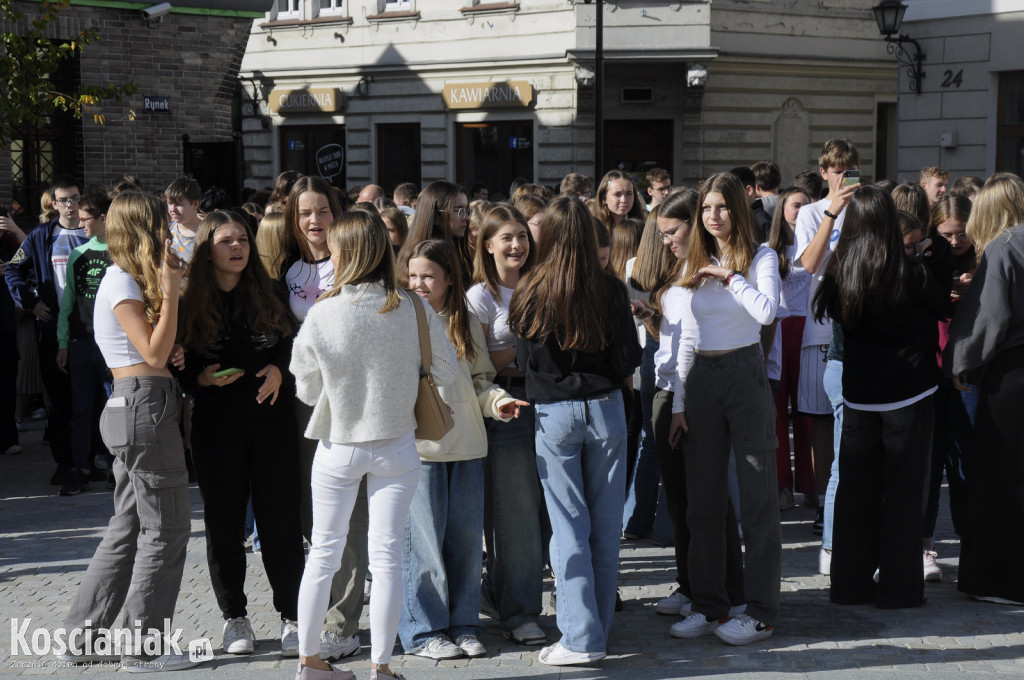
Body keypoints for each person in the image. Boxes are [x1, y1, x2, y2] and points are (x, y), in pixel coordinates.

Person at [291, 210, 458, 680]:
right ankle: (381, 668)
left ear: (341, 253)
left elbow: (304, 388)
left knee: (323, 553)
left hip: (339, 441)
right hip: (397, 443)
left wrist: (343, 388)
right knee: (386, 558)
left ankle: (310, 662)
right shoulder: (413, 306)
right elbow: (444, 370)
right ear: (384, 252)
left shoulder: (323, 311)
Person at [59, 190, 199, 671]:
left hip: (136, 403)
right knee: (168, 527)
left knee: (130, 525)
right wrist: (171, 295)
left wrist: (179, 251)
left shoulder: (130, 279)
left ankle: (82, 636)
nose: (168, 230)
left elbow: (155, 349)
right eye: (161, 222)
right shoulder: (122, 282)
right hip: (144, 405)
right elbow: (154, 354)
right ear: (143, 228)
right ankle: (144, 647)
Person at [508, 195, 642, 665]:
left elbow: (525, 362)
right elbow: (628, 359)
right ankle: (596, 631)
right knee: (604, 530)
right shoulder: (608, 289)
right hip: (606, 408)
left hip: (555, 414)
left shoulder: (530, 288)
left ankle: (581, 638)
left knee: (568, 528)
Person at [813, 185, 952, 609]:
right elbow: (940, 303)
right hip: (908, 394)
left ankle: (849, 586)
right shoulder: (908, 272)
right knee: (903, 497)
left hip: (860, 395)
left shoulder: (842, 272)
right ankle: (899, 589)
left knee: (857, 495)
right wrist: (930, 251)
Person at [177, 210, 306, 657]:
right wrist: (201, 379)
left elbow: (295, 344)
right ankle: (235, 618)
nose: (237, 247)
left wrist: (280, 370)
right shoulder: (189, 298)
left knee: (281, 524)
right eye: (227, 241)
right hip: (216, 425)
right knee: (224, 526)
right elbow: (180, 364)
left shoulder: (269, 291)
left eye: (243, 240)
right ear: (207, 250)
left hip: (271, 422)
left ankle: (293, 617)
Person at [667, 172, 781, 646]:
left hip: (744, 374)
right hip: (701, 381)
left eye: (722, 207)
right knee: (704, 499)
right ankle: (709, 604)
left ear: (738, 208)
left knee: (757, 498)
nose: (713, 217)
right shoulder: (694, 258)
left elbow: (768, 312)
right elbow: (685, 335)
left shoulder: (761, 256)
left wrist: (731, 277)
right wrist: (677, 401)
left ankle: (760, 611)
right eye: (706, 209)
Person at [400, 239, 525, 660]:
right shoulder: (398, 318)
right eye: (413, 275)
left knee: (468, 546)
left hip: (469, 445)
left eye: (428, 276)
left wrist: (499, 402)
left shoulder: (465, 320)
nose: (419, 283)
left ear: (449, 278)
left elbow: (480, 380)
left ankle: (465, 625)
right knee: (423, 547)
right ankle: (423, 632)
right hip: (419, 449)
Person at [646, 189, 747, 624]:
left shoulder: (709, 273)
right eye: (662, 234)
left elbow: (697, 342)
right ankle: (693, 585)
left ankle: (725, 591)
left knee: (707, 501)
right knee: (683, 501)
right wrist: (651, 322)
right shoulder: (678, 272)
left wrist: (682, 402)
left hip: (690, 393)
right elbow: (673, 337)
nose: (666, 241)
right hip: (669, 388)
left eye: (672, 232)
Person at [281, 176, 365, 662]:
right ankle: (314, 608)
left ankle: (343, 620)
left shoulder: (355, 265)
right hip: (302, 400)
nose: (315, 221)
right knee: (314, 511)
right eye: (305, 213)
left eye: (323, 212)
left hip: (351, 401)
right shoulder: (284, 270)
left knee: (350, 512)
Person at [465, 204, 546, 647]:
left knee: (548, 516)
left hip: (551, 401)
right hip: (506, 407)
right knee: (515, 518)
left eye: (522, 237)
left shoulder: (542, 285)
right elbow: (478, 362)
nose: (517, 245)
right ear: (488, 244)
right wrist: (526, 349)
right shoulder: (479, 296)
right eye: (507, 238)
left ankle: (501, 594)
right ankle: (519, 614)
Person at [945, 219, 1024, 606]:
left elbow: (989, 319)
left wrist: (959, 360)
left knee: (1001, 476)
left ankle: (1001, 581)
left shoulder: (1004, 245)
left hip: (1011, 372)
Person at [4, 175, 87, 486]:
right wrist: (31, 303)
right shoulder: (41, 236)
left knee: (90, 397)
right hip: (52, 327)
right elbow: (14, 269)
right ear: (54, 204)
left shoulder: (94, 232)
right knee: (58, 399)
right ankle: (64, 463)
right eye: (64, 199)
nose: (71, 205)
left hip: (90, 328)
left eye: (76, 198)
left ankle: (91, 459)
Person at [55, 192, 114, 495]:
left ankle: (118, 468)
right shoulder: (79, 255)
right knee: (81, 409)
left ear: (103, 218)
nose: (79, 224)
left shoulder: (119, 253)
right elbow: (68, 302)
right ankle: (81, 468)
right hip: (80, 342)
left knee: (114, 407)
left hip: (111, 346)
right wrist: (62, 341)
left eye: (85, 218)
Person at [765, 187, 814, 513]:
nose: (801, 210)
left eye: (806, 205)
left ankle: (811, 485)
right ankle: (781, 484)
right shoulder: (771, 249)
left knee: (809, 411)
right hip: (780, 329)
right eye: (796, 205)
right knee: (778, 412)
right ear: (782, 209)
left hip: (809, 328)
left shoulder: (817, 242)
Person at [396, 180, 472, 286]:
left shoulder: (454, 251)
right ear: (436, 217)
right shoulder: (429, 257)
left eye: (467, 210)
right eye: (458, 211)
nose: (467, 218)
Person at [165, 177, 202, 263]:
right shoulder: (166, 231)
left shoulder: (208, 233)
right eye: (170, 203)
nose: (172, 209)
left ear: (195, 204)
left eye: (178, 204)